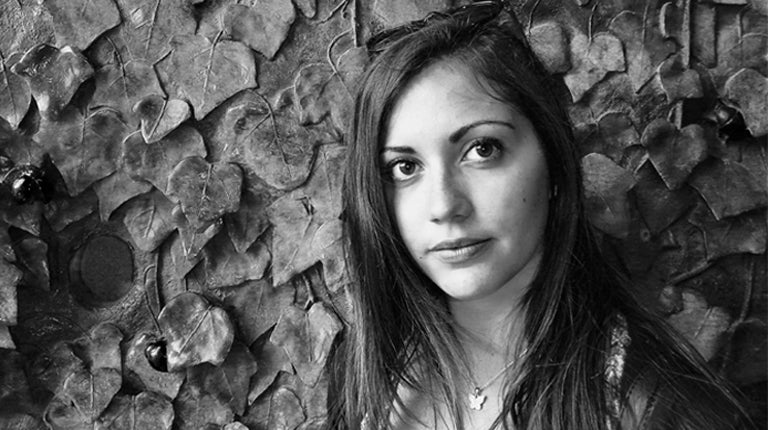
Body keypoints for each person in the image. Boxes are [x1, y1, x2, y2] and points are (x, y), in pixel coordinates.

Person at [327, 1, 754, 429]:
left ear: (552, 160)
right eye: (404, 167)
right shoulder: (364, 373)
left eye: (482, 149)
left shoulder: (657, 407)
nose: (444, 206)